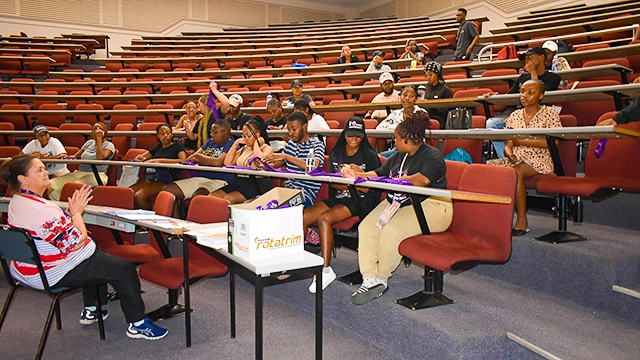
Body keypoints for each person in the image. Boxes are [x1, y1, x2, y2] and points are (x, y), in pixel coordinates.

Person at [1, 154, 168, 340]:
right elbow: (76, 242)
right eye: (39, 170)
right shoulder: (42, 210)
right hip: (51, 273)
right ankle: (137, 324)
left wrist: (68, 215)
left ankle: (92, 309)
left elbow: (47, 229)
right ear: (22, 179)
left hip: (25, 269)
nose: (46, 172)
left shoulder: (17, 201)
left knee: (98, 257)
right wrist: (77, 214)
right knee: (124, 270)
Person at [341, 112, 453, 305]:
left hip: (432, 205)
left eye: (396, 139)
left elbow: (422, 180)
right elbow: (379, 174)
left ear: (408, 140)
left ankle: (381, 278)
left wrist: (393, 180)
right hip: (401, 202)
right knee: (366, 227)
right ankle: (369, 279)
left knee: (391, 232)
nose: (394, 142)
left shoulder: (432, 156)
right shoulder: (398, 156)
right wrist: (358, 175)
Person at [303, 117, 381, 293]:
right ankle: (299, 261)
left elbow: (371, 188)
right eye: (351, 135)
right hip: (340, 195)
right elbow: (333, 182)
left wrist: (357, 175)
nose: (354, 139)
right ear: (344, 134)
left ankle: (325, 270)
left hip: (360, 199)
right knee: (304, 216)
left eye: (358, 136)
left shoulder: (369, 155)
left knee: (324, 219)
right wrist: (349, 179)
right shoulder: (337, 153)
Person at [487, 80, 562, 235]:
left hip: (540, 159)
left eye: (530, 92)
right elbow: (508, 142)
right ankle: (493, 219)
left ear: (541, 95)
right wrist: (509, 153)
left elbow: (553, 142)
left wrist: (520, 141)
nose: (524, 95)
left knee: (515, 172)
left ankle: (522, 219)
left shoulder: (550, 113)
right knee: (486, 170)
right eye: (522, 91)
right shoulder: (514, 115)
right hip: (516, 158)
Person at [485, 46, 562, 158]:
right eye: (526, 58)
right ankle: (509, 159)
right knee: (491, 124)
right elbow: (509, 97)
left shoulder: (553, 77)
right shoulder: (522, 78)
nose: (527, 61)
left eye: (530, 57)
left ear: (541, 57)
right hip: (518, 117)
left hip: (539, 119)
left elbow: (539, 96)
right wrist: (496, 95)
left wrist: (533, 73)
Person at [162, 120, 235, 218]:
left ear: (225, 132)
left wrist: (199, 156)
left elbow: (217, 162)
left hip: (219, 181)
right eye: (211, 132)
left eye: (215, 132)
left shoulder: (232, 145)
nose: (211, 135)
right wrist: (203, 159)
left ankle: (192, 227)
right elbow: (194, 159)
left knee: (198, 196)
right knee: (167, 190)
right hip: (200, 178)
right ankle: (177, 226)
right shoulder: (210, 142)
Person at [265, 112, 325, 208]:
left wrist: (286, 157)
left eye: (294, 129)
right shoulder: (291, 144)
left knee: (282, 208)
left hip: (305, 194)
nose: (290, 133)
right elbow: (277, 164)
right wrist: (264, 165)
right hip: (287, 190)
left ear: (304, 127)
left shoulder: (317, 145)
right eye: (289, 130)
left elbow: (313, 167)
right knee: (263, 203)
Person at [209, 119, 274, 204]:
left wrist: (256, 144)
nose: (245, 139)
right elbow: (227, 162)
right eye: (243, 136)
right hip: (240, 181)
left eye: (248, 136)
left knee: (227, 200)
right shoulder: (244, 148)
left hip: (257, 183)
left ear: (257, 135)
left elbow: (260, 161)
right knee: (211, 197)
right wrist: (236, 143)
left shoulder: (267, 149)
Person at [48, 122, 115, 201]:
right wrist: (67, 157)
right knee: (50, 185)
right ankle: (63, 205)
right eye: (95, 129)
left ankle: (71, 205)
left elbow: (100, 157)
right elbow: (76, 156)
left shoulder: (109, 145)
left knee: (74, 186)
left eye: (100, 129)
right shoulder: (89, 143)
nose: (97, 131)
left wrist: (99, 139)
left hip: (97, 175)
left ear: (105, 132)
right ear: (92, 133)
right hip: (79, 173)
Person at [129, 123, 186, 209]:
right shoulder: (158, 147)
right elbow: (144, 156)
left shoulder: (177, 146)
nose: (165, 136)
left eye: (168, 133)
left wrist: (160, 160)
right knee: (129, 193)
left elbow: (183, 160)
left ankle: (148, 220)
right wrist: (140, 157)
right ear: (158, 136)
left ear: (171, 134)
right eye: (162, 134)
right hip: (154, 178)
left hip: (168, 179)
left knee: (139, 197)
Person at [376, 85, 428, 156]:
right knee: (379, 157)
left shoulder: (421, 113)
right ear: (400, 97)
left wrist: (398, 129)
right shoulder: (396, 113)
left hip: (416, 149)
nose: (407, 99)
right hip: (398, 149)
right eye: (405, 95)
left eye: (411, 96)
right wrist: (399, 127)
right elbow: (379, 128)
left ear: (416, 99)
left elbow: (416, 130)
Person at [186, 81, 230, 149]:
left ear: (205, 105)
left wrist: (214, 91)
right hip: (205, 149)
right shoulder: (201, 121)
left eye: (199, 104)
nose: (198, 107)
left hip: (218, 148)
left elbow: (226, 103)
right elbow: (193, 136)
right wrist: (187, 128)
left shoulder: (216, 114)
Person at [423, 61, 453, 127]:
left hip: (440, 120)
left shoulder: (446, 90)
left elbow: (448, 111)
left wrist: (434, 105)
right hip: (427, 117)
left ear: (437, 74)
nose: (428, 78)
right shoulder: (426, 88)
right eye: (426, 76)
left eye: (430, 75)